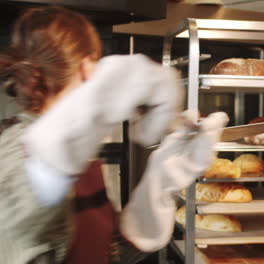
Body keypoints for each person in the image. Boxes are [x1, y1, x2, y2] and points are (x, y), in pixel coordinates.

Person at [0, 6, 228, 264]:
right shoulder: (14, 151)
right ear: (87, 69)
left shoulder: (78, 156)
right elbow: (27, 222)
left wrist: (160, 181)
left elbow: (106, 252)